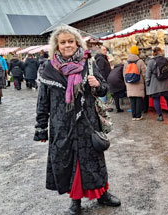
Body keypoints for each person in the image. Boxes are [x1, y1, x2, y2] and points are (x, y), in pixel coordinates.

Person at [33, 25, 120, 215]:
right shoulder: (48, 69)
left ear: (77, 42)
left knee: (94, 160)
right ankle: (75, 201)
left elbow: (104, 88)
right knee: (70, 162)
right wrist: (41, 128)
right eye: (62, 42)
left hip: (87, 123)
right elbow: (43, 101)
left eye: (70, 41)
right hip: (62, 125)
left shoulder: (88, 63)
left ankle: (102, 194)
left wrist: (98, 85)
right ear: (56, 45)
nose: (67, 45)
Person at [146, 47, 168, 121]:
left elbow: (148, 74)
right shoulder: (166, 60)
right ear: (160, 52)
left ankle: (160, 116)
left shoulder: (150, 62)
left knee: (156, 99)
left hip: (156, 84)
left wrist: (148, 83)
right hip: (167, 83)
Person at [124, 45, 146, 120]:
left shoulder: (126, 62)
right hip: (138, 83)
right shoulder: (140, 62)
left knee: (132, 100)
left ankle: (133, 116)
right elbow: (144, 73)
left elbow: (124, 74)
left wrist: (126, 82)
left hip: (129, 84)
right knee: (139, 99)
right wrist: (143, 80)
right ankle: (138, 116)